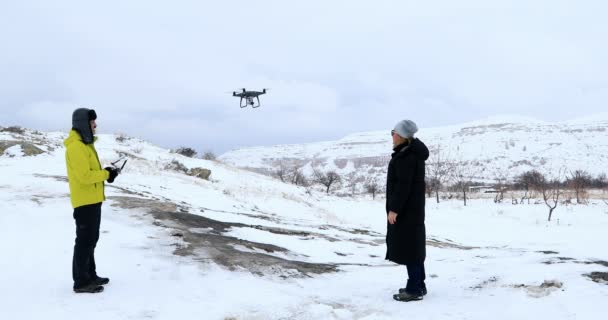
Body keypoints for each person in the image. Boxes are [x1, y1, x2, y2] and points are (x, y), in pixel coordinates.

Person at [64, 108, 120, 293]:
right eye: (92, 122)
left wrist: (108, 173)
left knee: (91, 240)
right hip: (84, 202)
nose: (95, 125)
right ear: (83, 124)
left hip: (93, 200)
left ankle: (90, 275)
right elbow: (85, 176)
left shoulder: (86, 145)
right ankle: (81, 282)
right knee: (84, 241)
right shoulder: (76, 147)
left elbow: (90, 173)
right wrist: (106, 174)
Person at [385, 119, 429, 302]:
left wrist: (394, 209)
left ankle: (414, 290)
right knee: (414, 248)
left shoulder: (406, 157)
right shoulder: (410, 153)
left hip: (407, 211)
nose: (392, 135)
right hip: (413, 209)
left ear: (401, 136)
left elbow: (404, 186)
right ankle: (419, 284)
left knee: (410, 249)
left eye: (393, 132)